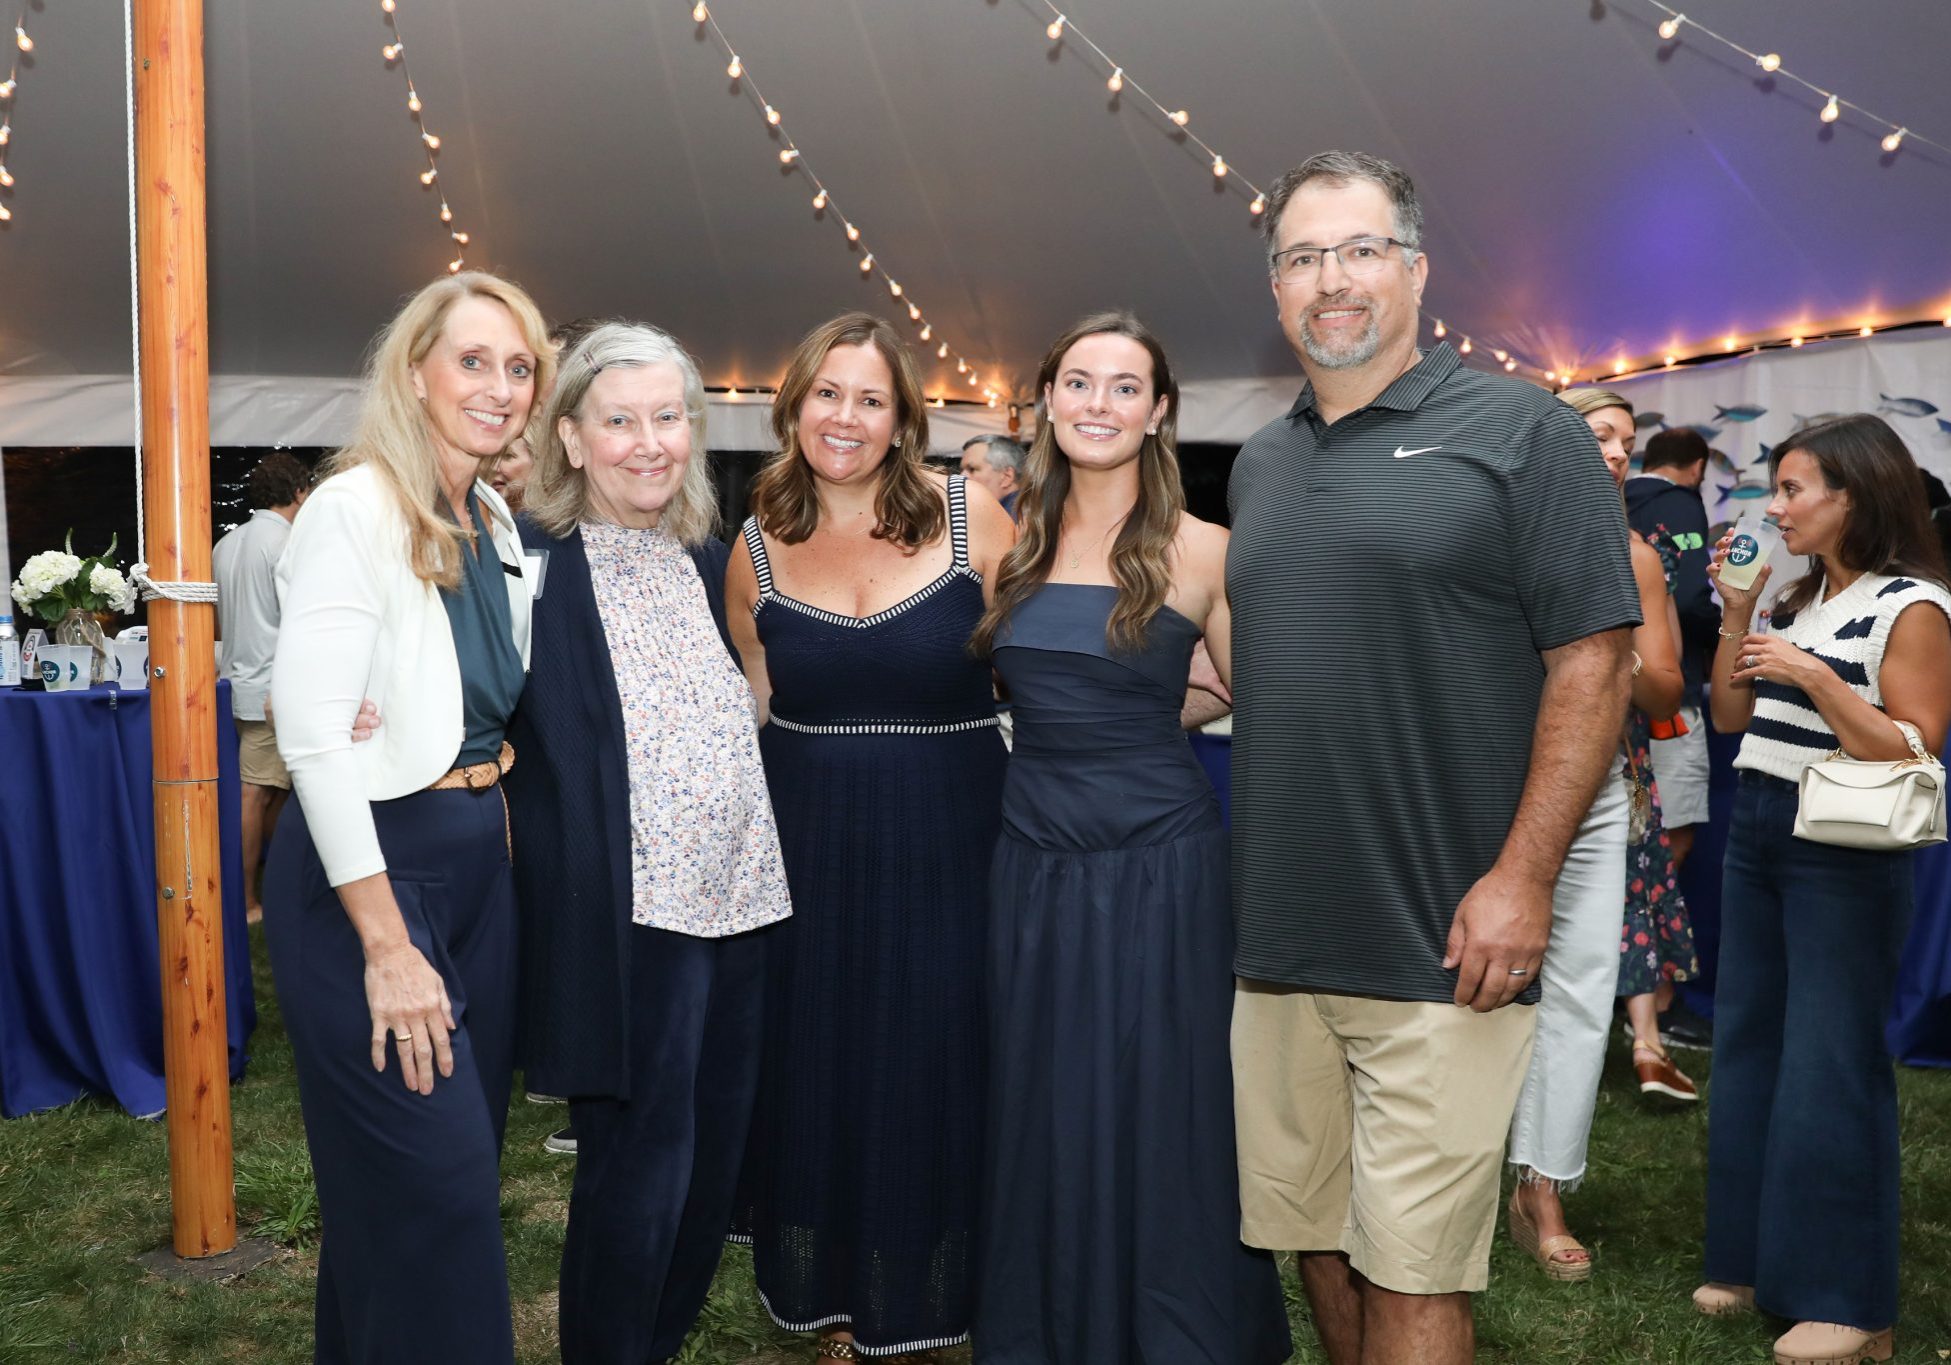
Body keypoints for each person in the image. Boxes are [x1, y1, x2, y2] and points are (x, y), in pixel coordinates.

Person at [1225, 150, 1640, 1365]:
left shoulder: (1523, 432)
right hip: (1280, 942)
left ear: (1413, 269)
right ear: (1276, 291)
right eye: (1301, 258)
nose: (1330, 280)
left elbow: (1597, 664)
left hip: (1445, 943)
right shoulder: (1263, 461)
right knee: (1319, 1247)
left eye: (1357, 251)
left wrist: (1523, 876)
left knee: (1413, 1275)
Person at [968, 312, 1290, 1364]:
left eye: (1122, 387)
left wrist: (1157, 715)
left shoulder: (1206, 552)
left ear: (1156, 413)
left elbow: (1266, 706)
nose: (1096, 404)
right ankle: (1048, 1329)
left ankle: (1175, 1334)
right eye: (1077, 383)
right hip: (1032, 861)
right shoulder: (1006, 546)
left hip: (1160, 867)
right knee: (1042, 1099)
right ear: (1046, 404)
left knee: (1166, 1101)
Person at [263, 271, 549, 1363]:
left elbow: (478, 696)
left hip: (476, 872)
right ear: (415, 372)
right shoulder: (355, 507)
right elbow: (315, 739)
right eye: (473, 360)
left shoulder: (488, 517)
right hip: (370, 881)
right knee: (442, 1201)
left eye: (518, 366)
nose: (500, 385)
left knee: (418, 1193)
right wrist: (384, 944)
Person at [727, 311, 1014, 1361]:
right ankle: (835, 1295)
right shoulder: (754, 542)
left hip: (955, 839)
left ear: (903, 421)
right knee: (824, 1059)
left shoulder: (972, 512)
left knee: (940, 1056)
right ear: (793, 405)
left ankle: (948, 1288)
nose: (844, 417)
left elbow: (1049, 663)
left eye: (870, 399)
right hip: (808, 846)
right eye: (826, 395)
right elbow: (750, 703)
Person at [504, 322, 791, 1362]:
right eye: (619, 421)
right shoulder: (530, 563)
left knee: (715, 1158)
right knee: (640, 1161)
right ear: (571, 439)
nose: (648, 442)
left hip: (743, 901)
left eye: (667, 418)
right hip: (633, 914)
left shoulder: (709, 559)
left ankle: (657, 1340)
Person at [1698, 413, 1951, 1365]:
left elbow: (1914, 740)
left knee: (1829, 1058)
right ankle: (1754, 1259)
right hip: (1758, 829)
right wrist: (1736, 615)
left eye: (1794, 488)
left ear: (1856, 494)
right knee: (1751, 1042)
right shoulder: (1803, 599)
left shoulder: (1913, 605)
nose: (1776, 505)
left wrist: (1810, 674)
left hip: (1840, 847)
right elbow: (1728, 713)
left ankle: (1852, 1303)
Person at [1502, 388, 1682, 1282]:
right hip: (1499, 781)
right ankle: (1458, 1169)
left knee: (1578, 988)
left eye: (1625, 440)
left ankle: (1541, 1186)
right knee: (1475, 981)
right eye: (1595, 435)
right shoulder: (1499, 528)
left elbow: (1664, 694)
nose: (1614, 452)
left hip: (1603, 783)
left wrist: (1611, 651)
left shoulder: (1634, 556)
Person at [212, 451, 312, 922]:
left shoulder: (225, 545)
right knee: (257, 794)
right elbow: (301, 622)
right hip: (273, 691)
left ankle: (280, 885)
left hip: (234, 684)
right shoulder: (290, 543)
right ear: (298, 492)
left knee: (274, 793)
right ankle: (247, 901)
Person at [959, 433, 1025, 517]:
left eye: (972, 469)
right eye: (961, 470)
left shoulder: (1012, 521)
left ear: (1006, 477)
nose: (961, 477)